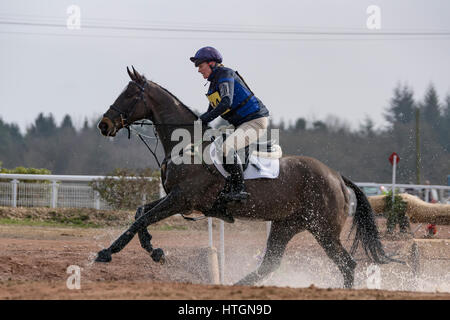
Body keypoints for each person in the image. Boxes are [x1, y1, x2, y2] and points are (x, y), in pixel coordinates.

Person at [190, 46, 270, 201]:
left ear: (212, 63)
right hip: (242, 124)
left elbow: (226, 102)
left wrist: (204, 119)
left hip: (255, 121)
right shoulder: (214, 83)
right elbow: (212, 110)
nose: (199, 70)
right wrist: (198, 122)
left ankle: (239, 189)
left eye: (200, 66)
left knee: (227, 148)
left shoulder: (225, 74)